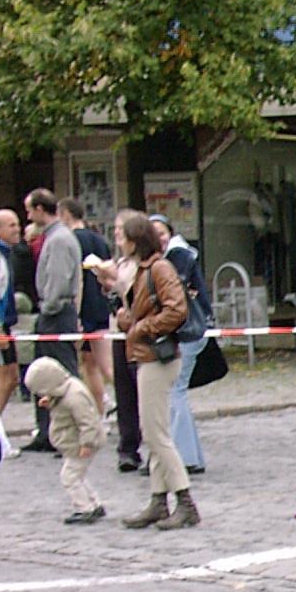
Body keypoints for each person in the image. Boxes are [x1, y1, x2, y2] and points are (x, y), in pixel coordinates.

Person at [115, 210, 200, 530]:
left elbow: (176, 310)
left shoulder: (159, 268)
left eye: (123, 237)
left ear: (135, 241)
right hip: (147, 354)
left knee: (156, 436)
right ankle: (158, 500)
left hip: (157, 357)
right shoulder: (142, 270)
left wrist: (140, 328)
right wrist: (128, 320)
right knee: (155, 433)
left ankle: (185, 501)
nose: (119, 243)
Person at [148, 214, 211, 474]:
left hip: (188, 331)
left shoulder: (178, 257)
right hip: (188, 331)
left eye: (162, 233)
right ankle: (191, 456)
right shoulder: (171, 256)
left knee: (175, 392)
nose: (159, 238)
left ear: (170, 234)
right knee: (176, 392)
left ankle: (182, 458)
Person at [21, 187, 81, 453]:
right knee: (43, 373)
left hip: (56, 313)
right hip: (54, 311)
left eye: (29, 210)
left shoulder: (58, 239)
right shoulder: (54, 236)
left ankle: (73, 430)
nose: (27, 216)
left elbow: (58, 278)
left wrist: (49, 306)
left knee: (63, 372)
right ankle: (47, 432)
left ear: (39, 209)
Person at [25, 357, 106, 524]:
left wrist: (87, 444)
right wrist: (51, 401)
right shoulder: (65, 390)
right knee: (77, 476)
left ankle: (85, 508)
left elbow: (88, 421)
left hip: (80, 444)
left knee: (69, 477)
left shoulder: (75, 396)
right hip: (74, 443)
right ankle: (94, 504)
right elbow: (63, 405)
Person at [60, 198, 112, 414]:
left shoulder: (69, 240)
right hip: (100, 305)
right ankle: (108, 409)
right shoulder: (98, 239)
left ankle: (101, 411)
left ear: (65, 215)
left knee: (85, 365)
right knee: (100, 365)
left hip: (82, 307)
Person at [0, 209, 21, 413]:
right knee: (3, 377)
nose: (18, 229)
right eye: (12, 225)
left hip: (4, 324)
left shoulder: (6, 253)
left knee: (12, 377)